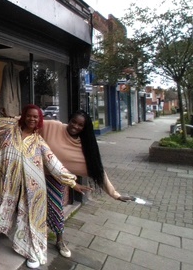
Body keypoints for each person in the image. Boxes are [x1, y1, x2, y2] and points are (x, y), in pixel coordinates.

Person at [0, 104, 91, 269]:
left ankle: (31, 250)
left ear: (40, 120)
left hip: (30, 187)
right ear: (23, 116)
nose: (32, 119)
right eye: (29, 115)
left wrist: (73, 183)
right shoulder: (9, 130)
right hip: (3, 181)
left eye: (36, 117)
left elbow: (54, 163)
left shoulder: (39, 141)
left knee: (30, 216)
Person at [41, 110, 132, 258]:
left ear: (85, 128)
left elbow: (99, 172)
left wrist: (115, 194)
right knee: (31, 207)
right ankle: (32, 240)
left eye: (80, 125)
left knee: (56, 208)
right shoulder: (53, 126)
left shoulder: (83, 147)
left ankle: (60, 240)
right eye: (74, 122)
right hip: (35, 172)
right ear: (69, 120)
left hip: (56, 178)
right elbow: (30, 120)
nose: (75, 126)